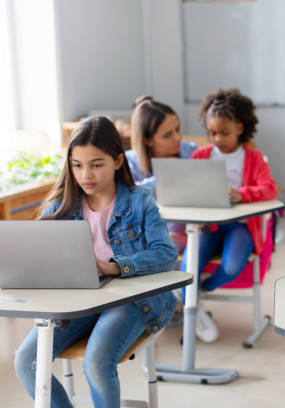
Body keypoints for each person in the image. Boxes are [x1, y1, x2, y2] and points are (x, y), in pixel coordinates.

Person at [14, 117, 178, 407]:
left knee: (97, 363)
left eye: (96, 164)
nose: (85, 174)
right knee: (25, 361)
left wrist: (115, 266)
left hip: (132, 300)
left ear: (117, 161)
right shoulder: (63, 206)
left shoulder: (140, 202)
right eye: (77, 165)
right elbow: (31, 249)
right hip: (81, 301)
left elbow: (166, 254)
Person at [184, 88, 277, 343]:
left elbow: (269, 188)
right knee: (184, 272)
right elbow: (188, 186)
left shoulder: (254, 158)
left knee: (232, 265)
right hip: (207, 227)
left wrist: (240, 194)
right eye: (212, 133)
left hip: (238, 227)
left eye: (224, 133)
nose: (217, 139)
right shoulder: (201, 156)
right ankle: (193, 305)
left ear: (239, 127)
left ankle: (201, 291)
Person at [126, 95, 197, 253]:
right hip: (141, 235)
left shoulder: (190, 151)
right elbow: (130, 197)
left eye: (177, 129)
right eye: (168, 135)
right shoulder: (129, 162)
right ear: (148, 140)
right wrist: (170, 173)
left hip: (185, 233)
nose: (177, 138)